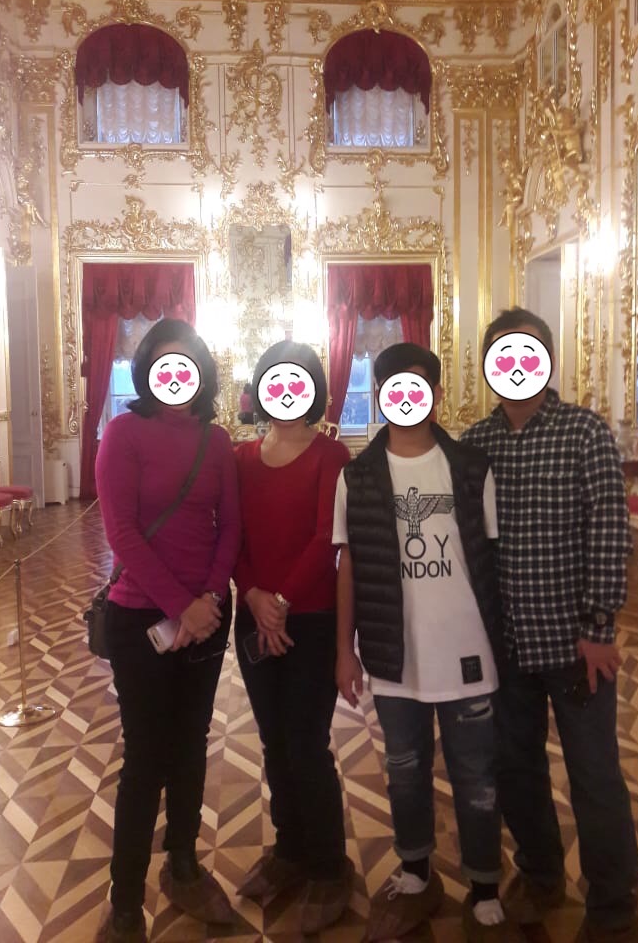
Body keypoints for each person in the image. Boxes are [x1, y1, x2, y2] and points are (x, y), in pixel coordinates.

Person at [462, 307, 638, 943]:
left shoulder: (584, 433)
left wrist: (599, 627)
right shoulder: (476, 443)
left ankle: (613, 904)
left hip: (575, 645)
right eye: (503, 355)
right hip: (505, 646)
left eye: (527, 353)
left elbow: (609, 533)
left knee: (593, 774)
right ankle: (540, 873)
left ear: (548, 360)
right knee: (515, 768)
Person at [334, 342, 511, 943]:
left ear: (435, 395)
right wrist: (344, 650)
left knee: (476, 774)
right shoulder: (356, 476)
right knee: (404, 769)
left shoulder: (471, 467)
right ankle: (415, 868)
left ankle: (484, 881)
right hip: (394, 653)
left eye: (419, 388)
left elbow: (490, 557)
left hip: (467, 651)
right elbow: (349, 565)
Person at [95, 318, 240, 943]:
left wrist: (207, 601)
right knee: (145, 757)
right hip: (140, 618)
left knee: (190, 745)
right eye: (165, 364)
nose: (177, 376)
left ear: (202, 374)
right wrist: (181, 607)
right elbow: (121, 532)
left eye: (188, 365)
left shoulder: (218, 439)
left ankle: (183, 864)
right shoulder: (122, 433)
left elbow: (231, 528)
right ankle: (126, 901)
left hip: (206, 616)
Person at [233, 340, 354, 934]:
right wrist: (255, 597)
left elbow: (326, 536)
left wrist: (279, 603)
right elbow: (232, 537)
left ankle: (329, 865)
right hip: (254, 617)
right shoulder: (240, 458)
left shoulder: (333, 453)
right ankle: (290, 849)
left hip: (310, 619)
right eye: (276, 381)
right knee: (274, 742)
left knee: (306, 744)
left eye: (298, 380)